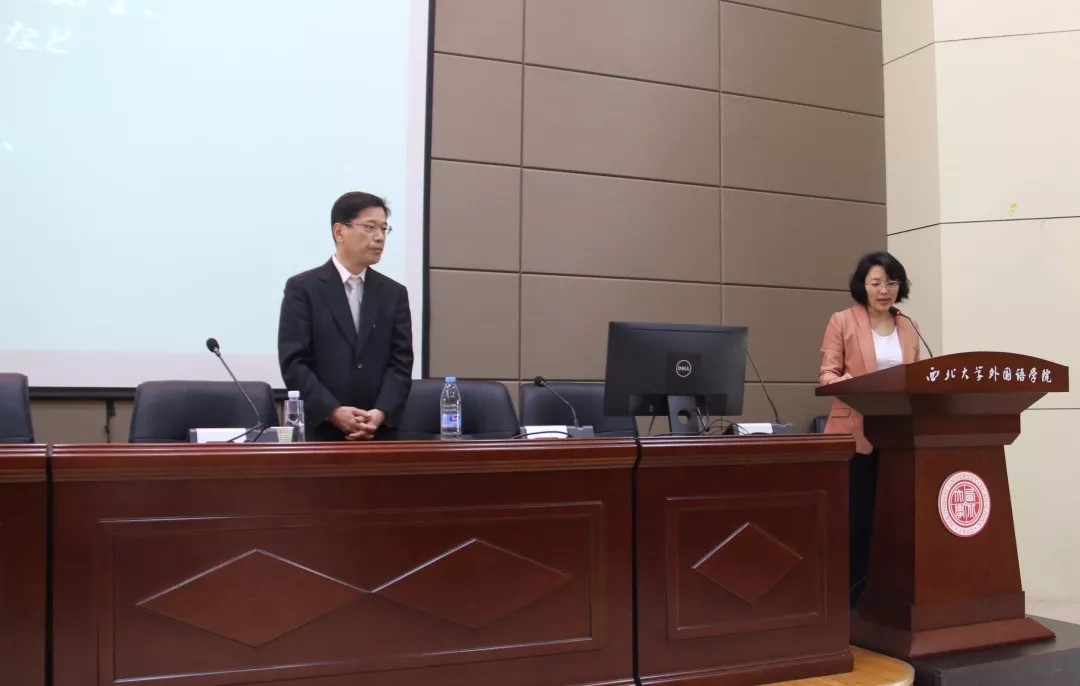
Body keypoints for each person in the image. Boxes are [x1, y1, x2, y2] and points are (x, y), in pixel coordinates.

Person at [818, 251, 921, 607]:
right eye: (876, 283)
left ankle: (886, 594)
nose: (884, 290)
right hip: (854, 435)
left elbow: (916, 376)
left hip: (897, 437)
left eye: (891, 282)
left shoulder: (908, 325)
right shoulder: (842, 321)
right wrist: (847, 383)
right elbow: (827, 374)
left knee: (893, 518)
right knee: (856, 519)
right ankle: (849, 598)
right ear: (862, 285)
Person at [278, 192, 413, 441]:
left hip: (379, 433)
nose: (379, 237)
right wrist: (332, 411)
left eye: (384, 228)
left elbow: (401, 362)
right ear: (339, 231)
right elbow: (295, 362)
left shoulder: (393, 293)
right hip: (322, 433)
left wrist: (381, 412)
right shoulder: (303, 288)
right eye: (370, 227)